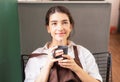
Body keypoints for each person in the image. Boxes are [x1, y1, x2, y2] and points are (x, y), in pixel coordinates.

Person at [24, 6, 102, 82]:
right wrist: (47, 65)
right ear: (48, 28)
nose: (60, 28)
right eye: (54, 23)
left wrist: (76, 68)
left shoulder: (84, 53)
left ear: (70, 27)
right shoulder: (37, 57)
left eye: (64, 22)